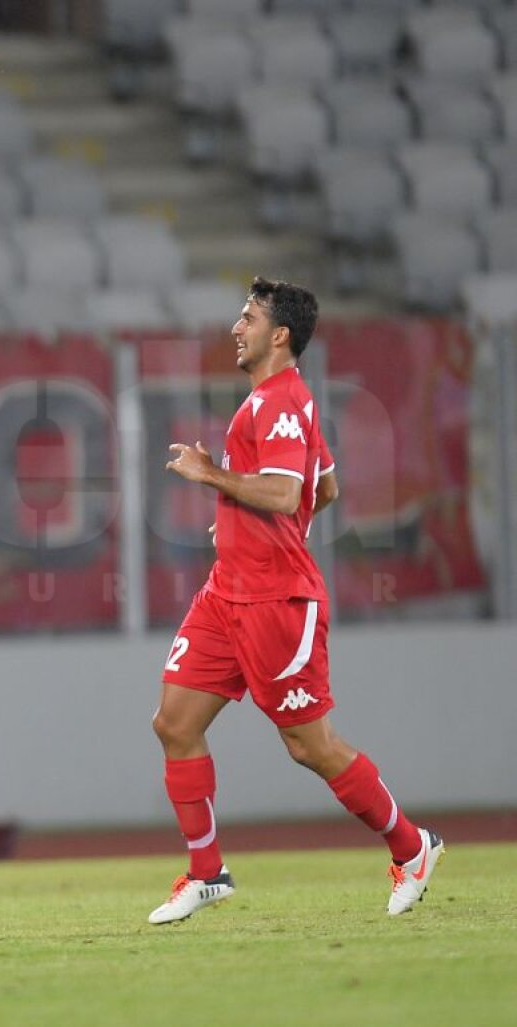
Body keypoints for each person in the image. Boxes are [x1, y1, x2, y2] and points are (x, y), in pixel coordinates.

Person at [147, 276, 443, 924]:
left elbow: (286, 494)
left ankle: (412, 845)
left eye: (248, 317)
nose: (236, 327)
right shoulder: (276, 402)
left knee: (312, 746)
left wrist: (213, 478)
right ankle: (206, 872)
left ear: (279, 335)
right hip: (228, 591)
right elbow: (324, 487)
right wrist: (237, 519)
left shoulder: (280, 401)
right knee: (174, 721)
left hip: (278, 600)